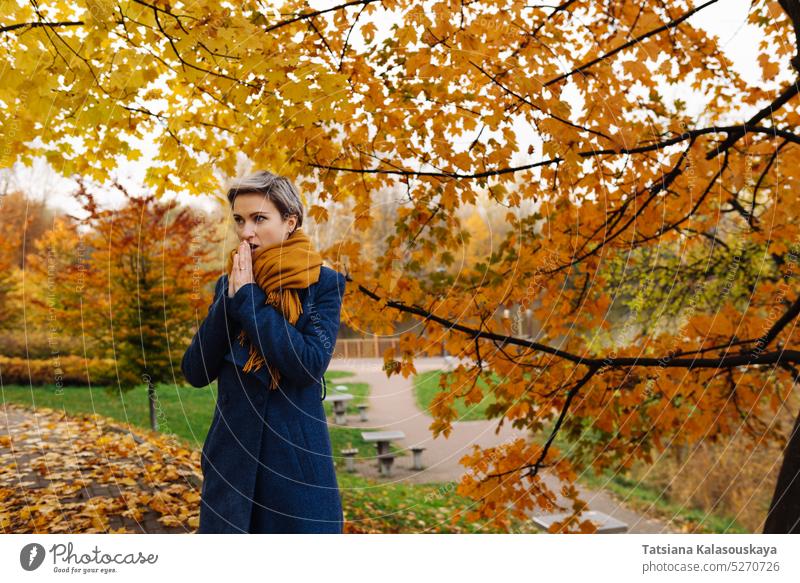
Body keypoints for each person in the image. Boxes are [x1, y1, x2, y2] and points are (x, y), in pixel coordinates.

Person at [181, 170, 347, 533]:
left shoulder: (323, 285)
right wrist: (231, 299)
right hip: (231, 464)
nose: (246, 232)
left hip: (295, 468)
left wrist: (249, 301)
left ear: (290, 222)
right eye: (239, 220)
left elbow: (307, 365)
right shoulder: (230, 282)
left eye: (259, 219)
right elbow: (195, 371)